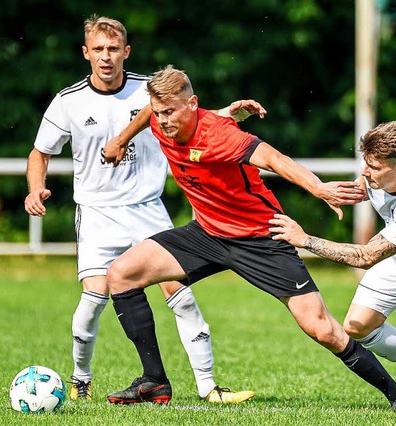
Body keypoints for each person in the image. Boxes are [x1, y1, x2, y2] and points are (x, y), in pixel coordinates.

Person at [102, 65, 396, 410]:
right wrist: (121, 139)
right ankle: (153, 381)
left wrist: (318, 188)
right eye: (160, 112)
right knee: (121, 274)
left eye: (171, 112)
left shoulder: (221, 135)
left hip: (261, 238)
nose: (163, 120)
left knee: (322, 329)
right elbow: (150, 111)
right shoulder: (159, 118)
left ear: (193, 104)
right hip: (207, 233)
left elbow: (274, 158)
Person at [24, 15, 263, 405]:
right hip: (97, 213)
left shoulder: (145, 92)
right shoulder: (68, 101)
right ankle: (80, 381)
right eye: (98, 49)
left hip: (147, 209)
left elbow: (188, 114)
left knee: (180, 295)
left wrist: (226, 113)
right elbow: (40, 152)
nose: (106, 57)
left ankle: (209, 388)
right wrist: (36, 189)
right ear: (86, 53)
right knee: (93, 300)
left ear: (126, 52)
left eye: (113, 49)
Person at [269, 120, 396, 414]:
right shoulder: (386, 174)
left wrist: (304, 240)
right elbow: (368, 188)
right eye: (365, 163)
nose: (365, 172)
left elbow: (365, 257)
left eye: (373, 167)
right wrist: (342, 192)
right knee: (357, 325)